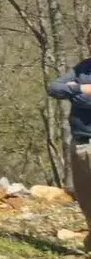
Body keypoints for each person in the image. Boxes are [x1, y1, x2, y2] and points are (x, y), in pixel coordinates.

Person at [45, 51, 91, 248]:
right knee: (84, 198)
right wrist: (81, 90)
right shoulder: (83, 68)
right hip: (78, 141)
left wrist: (75, 92)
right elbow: (54, 87)